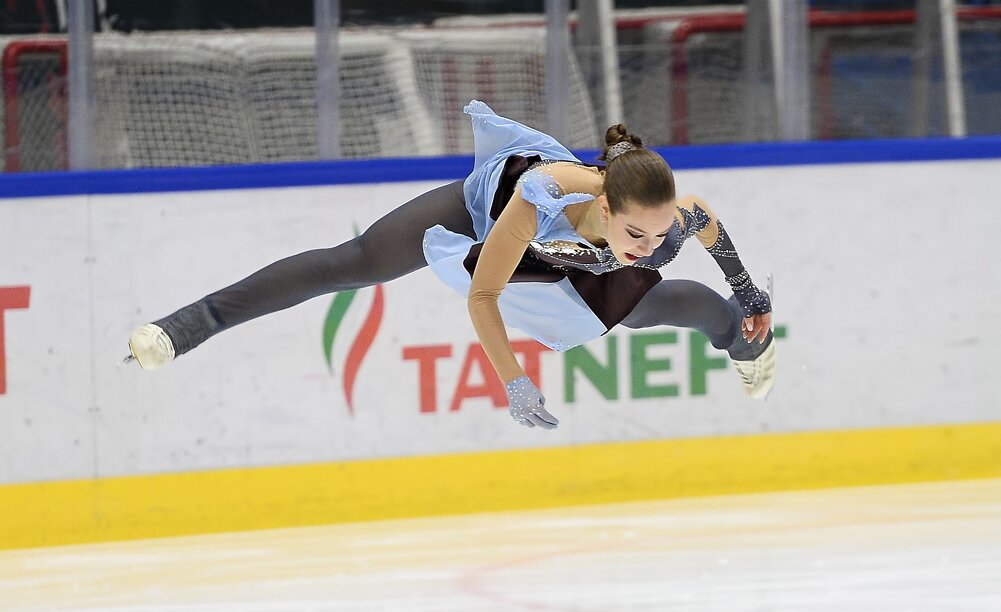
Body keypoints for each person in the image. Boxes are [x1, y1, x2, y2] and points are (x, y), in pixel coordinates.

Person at [127, 100, 775, 429]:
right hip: (491, 219)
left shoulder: (665, 219)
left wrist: (747, 293)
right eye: (637, 232)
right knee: (355, 262)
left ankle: (747, 349)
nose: (649, 246)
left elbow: (706, 225)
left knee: (654, 306)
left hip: (580, 257)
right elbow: (483, 297)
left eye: (659, 232)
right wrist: (513, 381)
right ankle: (188, 325)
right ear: (604, 206)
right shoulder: (535, 200)